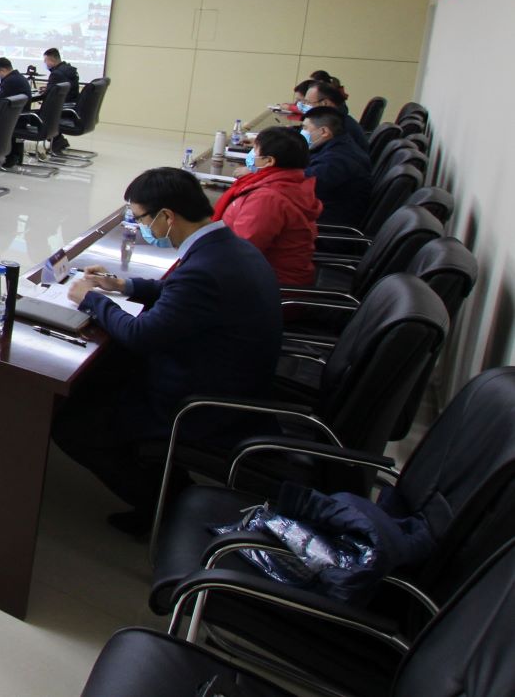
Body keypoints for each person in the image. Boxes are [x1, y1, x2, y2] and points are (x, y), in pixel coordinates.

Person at [56, 168, 281, 535]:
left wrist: (91, 300)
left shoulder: (204, 269)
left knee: (74, 426)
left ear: (166, 217)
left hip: (203, 405)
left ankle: (166, 510)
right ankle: (165, 485)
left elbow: (141, 335)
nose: (142, 227)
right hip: (231, 377)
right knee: (106, 371)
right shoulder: (226, 247)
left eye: (142, 219)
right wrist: (123, 286)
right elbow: (177, 293)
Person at [209, 127, 321, 288]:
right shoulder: (293, 183)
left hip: (268, 286)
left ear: (269, 161)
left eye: (255, 150)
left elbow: (241, 251)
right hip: (272, 276)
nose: (251, 155)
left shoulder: (268, 198)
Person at [302, 107, 374, 230]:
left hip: (329, 226)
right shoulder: (340, 145)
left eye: (305, 128)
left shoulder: (336, 160)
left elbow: (300, 186)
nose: (302, 132)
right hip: (328, 212)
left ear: (324, 131)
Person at [302, 80, 369, 151]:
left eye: (308, 102)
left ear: (324, 103)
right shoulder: (340, 119)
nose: (305, 105)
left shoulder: (340, 126)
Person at [43, 49, 81, 153]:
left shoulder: (57, 74)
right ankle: (58, 141)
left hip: (64, 108)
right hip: (71, 105)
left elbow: (48, 95)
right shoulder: (69, 69)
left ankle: (58, 141)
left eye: (45, 60)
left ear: (52, 60)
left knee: (42, 115)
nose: (45, 63)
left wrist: (46, 91)